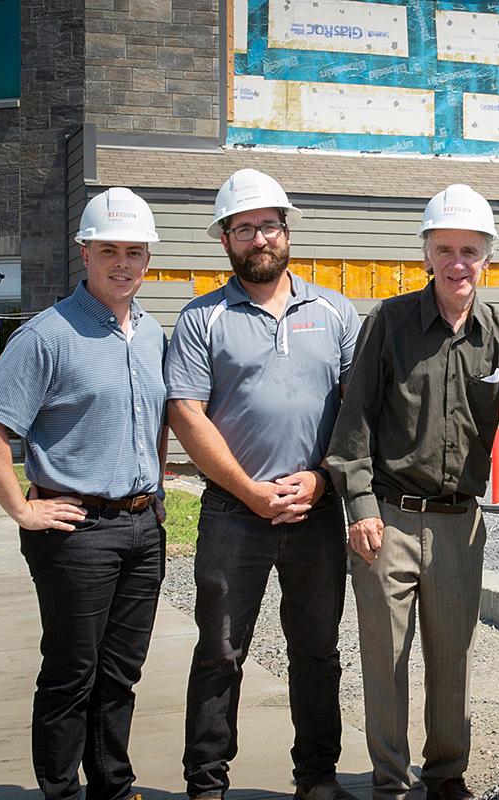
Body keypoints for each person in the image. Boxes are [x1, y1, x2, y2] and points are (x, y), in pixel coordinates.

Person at [325, 184, 499, 800]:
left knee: (452, 658)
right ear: (427, 254)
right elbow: (353, 425)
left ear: (487, 258)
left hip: (460, 522)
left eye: (470, 251)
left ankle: (446, 776)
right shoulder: (389, 323)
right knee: (387, 660)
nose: (458, 262)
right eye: (446, 249)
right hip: (390, 518)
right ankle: (390, 782)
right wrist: (359, 507)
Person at [0, 187, 168, 800]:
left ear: (148, 258)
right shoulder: (46, 335)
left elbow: (158, 424)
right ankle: (61, 792)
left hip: (143, 527)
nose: (123, 264)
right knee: (71, 675)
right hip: (76, 531)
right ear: (85, 252)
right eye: (110, 250)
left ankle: (114, 785)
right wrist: (22, 510)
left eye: (135, 252)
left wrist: (154, 495)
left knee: (120, 674)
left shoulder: (154, 333)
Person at [166, 168, 361, 800]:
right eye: (244, 227)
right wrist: (249, 490)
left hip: (316, 511)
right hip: (233, 513)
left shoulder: (334, 310)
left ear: (286, 231)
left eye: (269, 225)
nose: (259, 238)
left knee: (316, 651)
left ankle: (317, 778)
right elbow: (187, 413)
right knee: (220, 652)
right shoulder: (202, 318)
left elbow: (357, 410)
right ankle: (207, 783)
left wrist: (323, 478)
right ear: (225, 239)